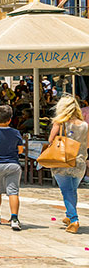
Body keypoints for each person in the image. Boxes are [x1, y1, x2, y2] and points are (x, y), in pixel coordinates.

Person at [47, 95, 88, 234]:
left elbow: (51, 140)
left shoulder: (60, 122)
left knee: (67, 191)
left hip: (63, 161)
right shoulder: (85, 125)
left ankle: (74, 219)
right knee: (72, 190)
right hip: (79, 162)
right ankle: (69, 216)